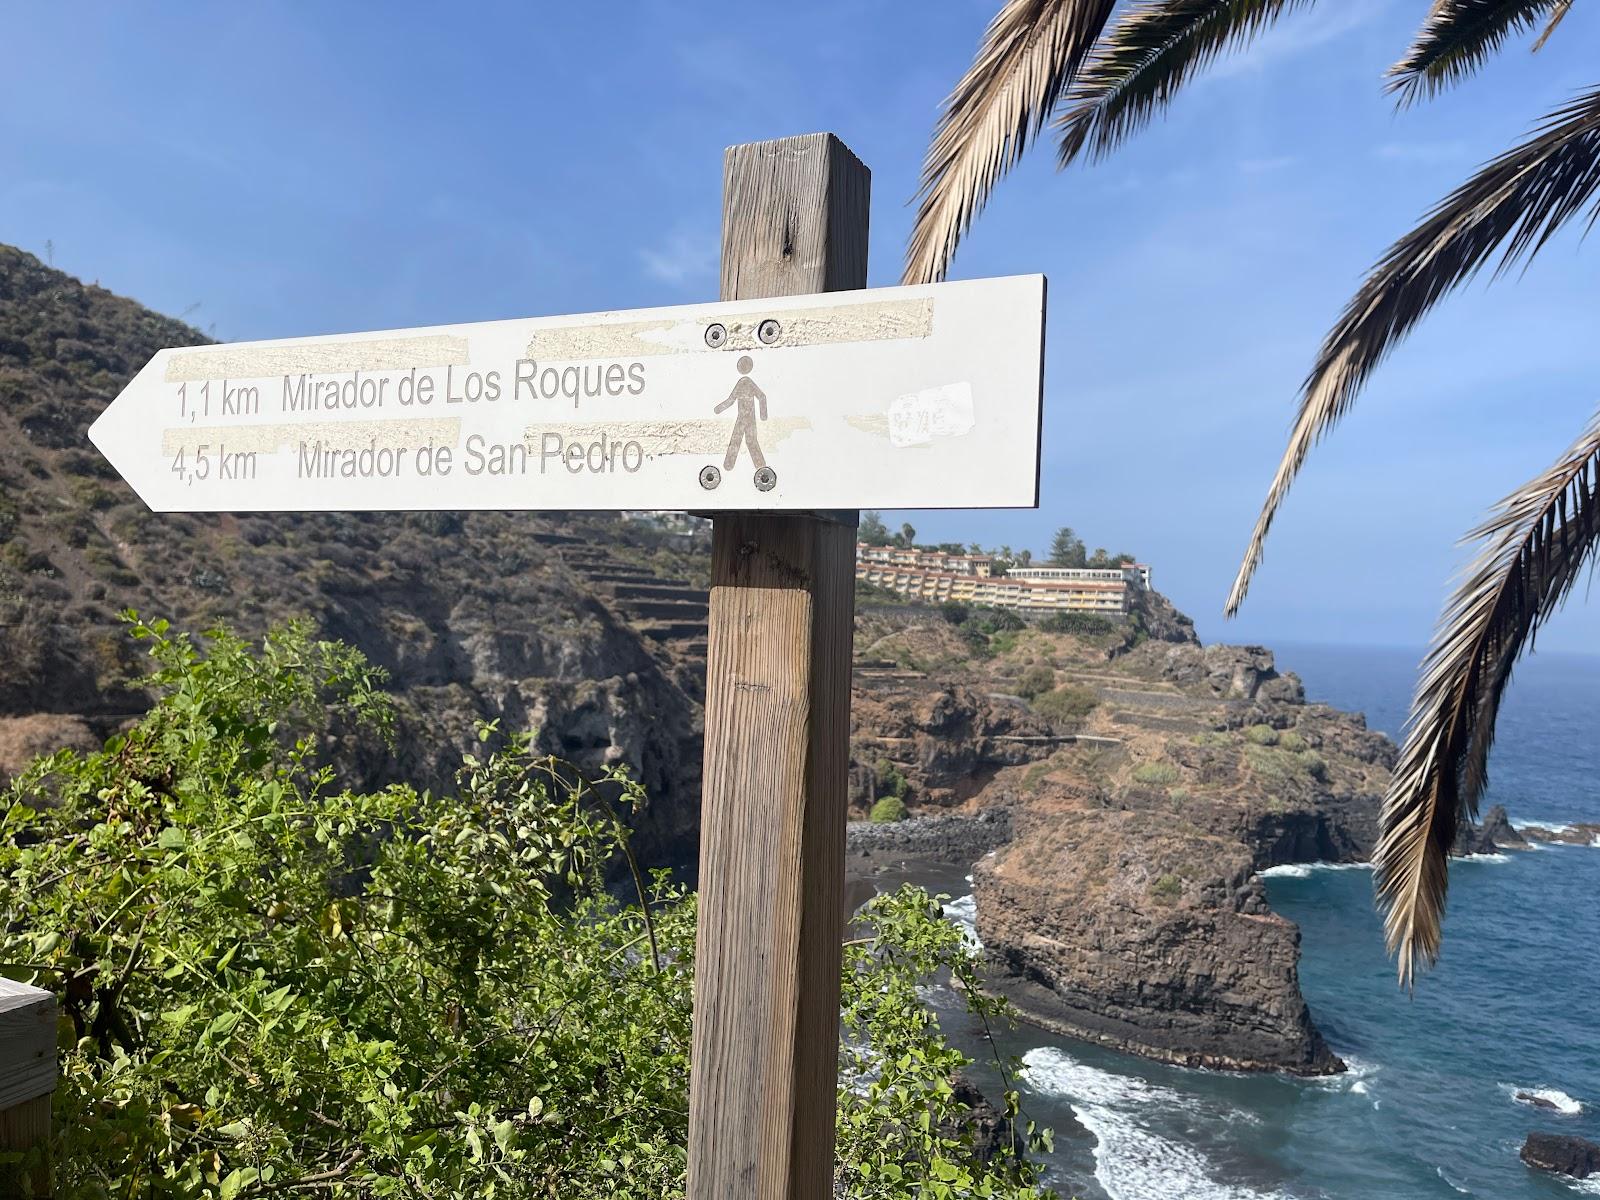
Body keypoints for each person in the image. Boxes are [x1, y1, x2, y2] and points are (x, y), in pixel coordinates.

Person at [715, 355, 767, 471]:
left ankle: (759, 466)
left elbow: (761, 397)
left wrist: (763, 415)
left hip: (746, 418)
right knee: (745, 440)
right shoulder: (744, 382)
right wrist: (718, 409)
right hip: (745, 417)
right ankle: (760, 466)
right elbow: (732, 400)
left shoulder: (746, 382)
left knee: (742, 439)